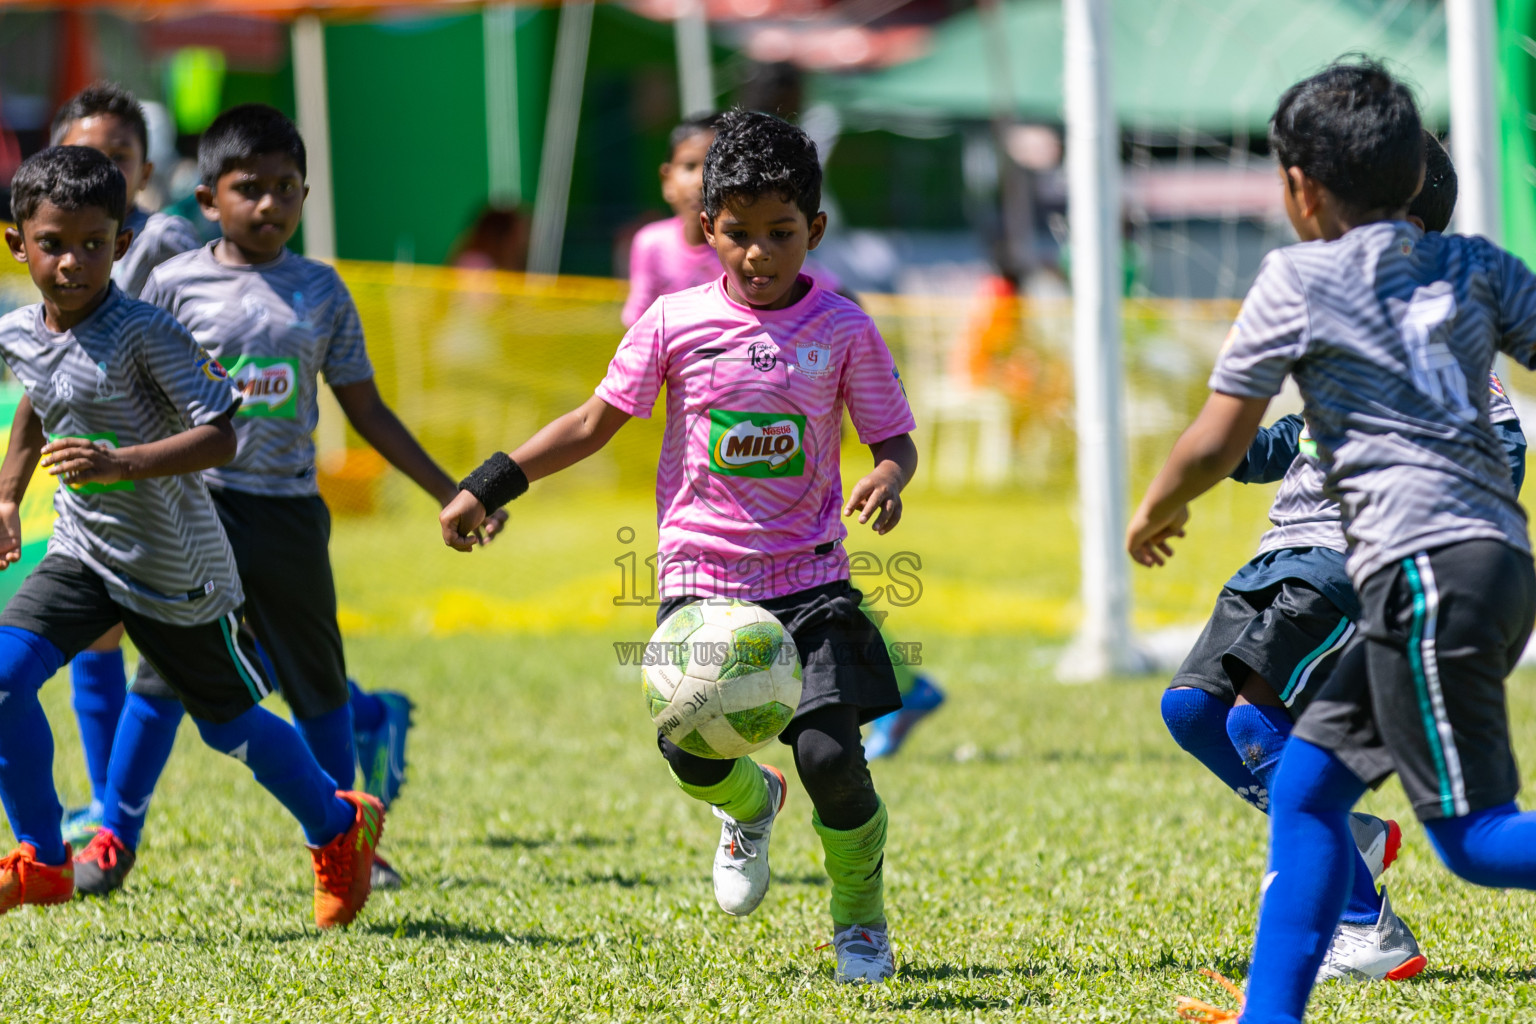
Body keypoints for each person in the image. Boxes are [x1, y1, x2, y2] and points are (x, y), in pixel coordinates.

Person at [441, 110, 917, 984]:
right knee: (687, 748)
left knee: (830, 758)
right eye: (738, 235)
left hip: (811, 576)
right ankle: (750, 805)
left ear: (813, 229)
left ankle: (860, 922)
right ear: (708, 230)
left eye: (781, 235)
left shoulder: (845, 328)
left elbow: (894, 439)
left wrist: (889, 475)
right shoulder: (672, 321)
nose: (759, 255)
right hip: (702, 576)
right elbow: (591, 424)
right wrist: (488, 480)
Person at [1127, 61, 1536, 1024]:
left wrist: (1158, 503)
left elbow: (1221, 435)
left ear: (1300, 188)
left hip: (1425, 570)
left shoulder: (1298, 277)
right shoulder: (1479, 265)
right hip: (1476, 569)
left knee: (1473, 840)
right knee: (1306, 788)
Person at [71, 105, 482, 897]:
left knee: (317, 683)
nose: (269, 205)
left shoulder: (321, 291)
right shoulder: (173, 285)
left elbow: (367, 410)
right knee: (162, 678)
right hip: (199, 513)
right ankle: (112, 838)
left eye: (285, 188)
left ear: (304, 193)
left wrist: (450, 488)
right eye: (248, 188)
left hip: (290, 514)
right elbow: (133, 391)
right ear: (207, 199)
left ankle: (349, 836)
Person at [0, 145, 382, 926]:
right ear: (16, 243)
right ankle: (43, 858)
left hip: (178, 569)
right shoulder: (17, 331)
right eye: (52, 243)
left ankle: (341, 825)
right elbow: (38, 397)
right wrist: (7, 500)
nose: (73, 262)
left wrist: (121, 462)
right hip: (82, 554)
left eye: (94, 243)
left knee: (230, 730)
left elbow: (223, 434)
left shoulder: (144, 332)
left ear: (124, 243)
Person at [48, 81, 204, 846]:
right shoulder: (54, 235)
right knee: (98, 633)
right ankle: (108, 809)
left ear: (144, 172)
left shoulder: (168, 244)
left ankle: (369, 719)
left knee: (212, 652)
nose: (102, 166)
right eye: (85, 153)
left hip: (168, 470)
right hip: (91, 472)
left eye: (119, 155)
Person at [622, 114, 843, 327]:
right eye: (690, 166)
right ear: (666, 179)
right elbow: (639, 319)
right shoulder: (651, 243)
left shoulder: (759, 248)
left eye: (714, 169)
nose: (701, 181)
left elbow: (831, 291)